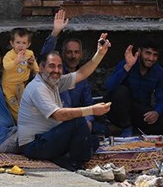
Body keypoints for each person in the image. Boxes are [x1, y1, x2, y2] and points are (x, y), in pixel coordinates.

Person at [18, 33, 112, 171]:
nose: (56, 71)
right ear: (41, 68)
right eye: (51, 66)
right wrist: (91, 110)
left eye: (59, 67)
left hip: (48, 138)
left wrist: (99, 54)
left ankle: (66, 158)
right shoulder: (37, 87)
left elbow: (81, 74)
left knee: (92, 140)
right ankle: (75, 164)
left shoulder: (55, 82)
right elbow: (58, 115)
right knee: (78, 122)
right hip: (34, 146)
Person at [39, 10, 109, 136]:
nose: (73, 56)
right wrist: (55, 32)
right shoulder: (56, 74)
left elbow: (88, 104)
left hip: (77, 120)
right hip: (56, 120)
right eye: (69, 52)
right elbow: (45, 57)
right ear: (62, 54)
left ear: (81, 54)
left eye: (76, 52)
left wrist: (87, 122)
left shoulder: (83, 78)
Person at [104, 38, 163, 135]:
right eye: (148, 53)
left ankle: (135, 132)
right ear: (139, 52)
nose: (151, 58)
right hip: (120, 112)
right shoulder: (127, 64)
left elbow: (162, 99)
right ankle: (127, 128)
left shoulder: (159, 72)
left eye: (155, 55)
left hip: (141, 112)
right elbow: (109, 87)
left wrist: (156, 112)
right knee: (120, 91)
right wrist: (127, 67)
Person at [2, 28, 39, 121]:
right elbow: (6, 66)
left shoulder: (29, 53)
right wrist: (16, 61)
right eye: (18, 42)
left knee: (25, 104)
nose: (20, 46)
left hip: (22, 84)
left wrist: (37, 72)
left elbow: (34, 64)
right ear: (12, 43)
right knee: (14, 106)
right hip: (9, 85)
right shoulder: (9, 55)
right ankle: (20, 122)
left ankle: (28, 121)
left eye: (24, 43)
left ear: (28, 44)